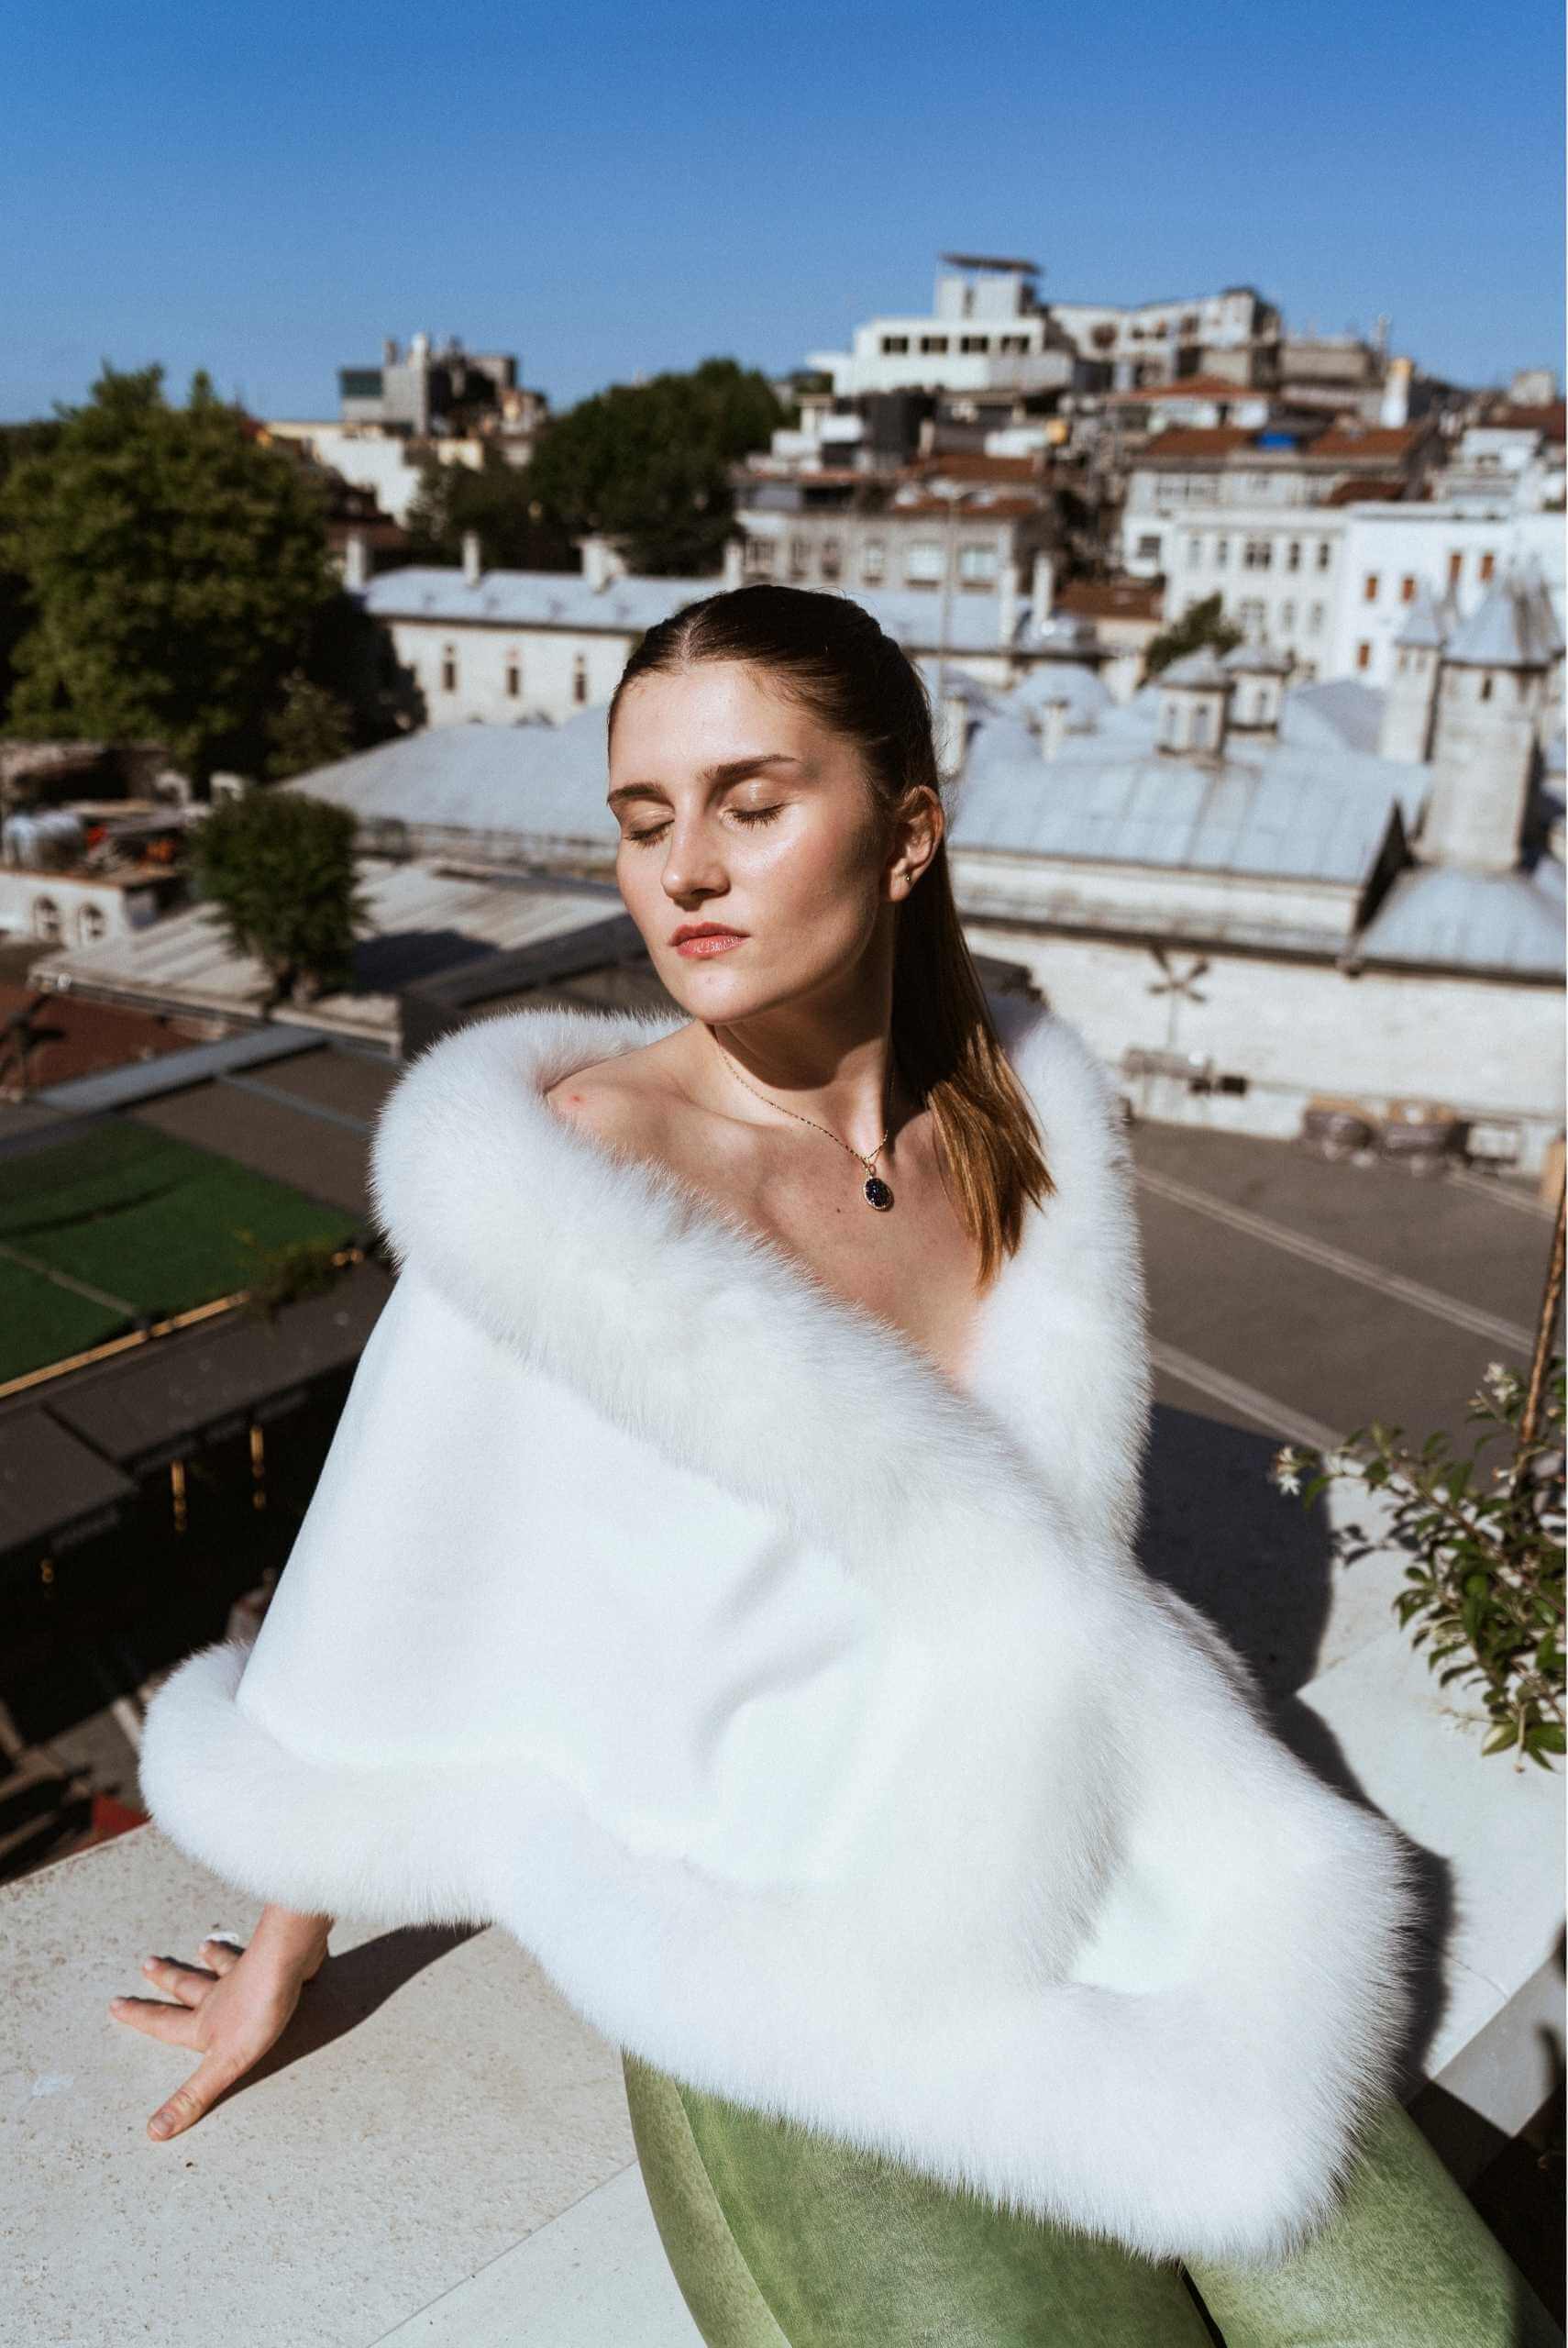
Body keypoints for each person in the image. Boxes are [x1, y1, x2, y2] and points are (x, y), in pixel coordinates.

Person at [121, 586, 1562, 2345]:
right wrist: (282, 1946)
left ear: (906, 831)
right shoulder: (568, 1175)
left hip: (1115, 1821)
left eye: (752, 799)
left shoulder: (1022, 1110)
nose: (685, 871)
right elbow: (393, 1564)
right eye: (644, 821)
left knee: (1455, 2327)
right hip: (784, 1919)